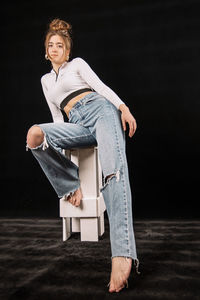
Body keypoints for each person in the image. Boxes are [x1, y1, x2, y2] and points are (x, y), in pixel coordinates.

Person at [26, 18, 140, 293]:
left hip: (99, 111)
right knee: (34, 136)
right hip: (75, 123)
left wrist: (123, 108)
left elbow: (100, 87)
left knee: (113, 171)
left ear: (67, 50)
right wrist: (67, 164)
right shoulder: (45, 81)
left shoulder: (77, 65)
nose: (54, 49)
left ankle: (122, 254)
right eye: (50, 45)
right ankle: (69, 184)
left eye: (59, 45)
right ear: (46, 50)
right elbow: (56, 118)